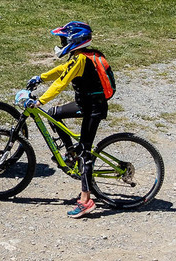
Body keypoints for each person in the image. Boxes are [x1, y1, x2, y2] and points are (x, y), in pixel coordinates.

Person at [32, 20, 115, 218]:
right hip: (85, 104)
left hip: (93, 108)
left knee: (86, 152)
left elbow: (61, 83)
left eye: (63, 40)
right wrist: (40, 78)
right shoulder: (81, 56)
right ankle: (71, 153)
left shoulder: (81, 60)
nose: (61, 44)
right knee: (54, 113)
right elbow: (62, 70)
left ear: (74, 40)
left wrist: (40, 101)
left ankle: (86, 201)